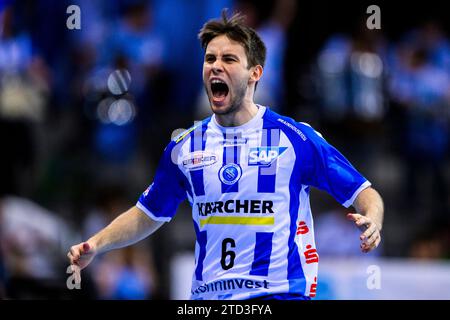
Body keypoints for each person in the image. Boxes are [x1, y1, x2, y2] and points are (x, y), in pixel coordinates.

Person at [68, 10, 384, 300]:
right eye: (210, 59)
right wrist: (97, 243)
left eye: (229, 59)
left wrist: (372, 218)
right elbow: (148, 213)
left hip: (279, 295)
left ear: (254, 73)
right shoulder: (184, 147)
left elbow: (363, 191)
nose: (216, 66)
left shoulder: (295, 138)